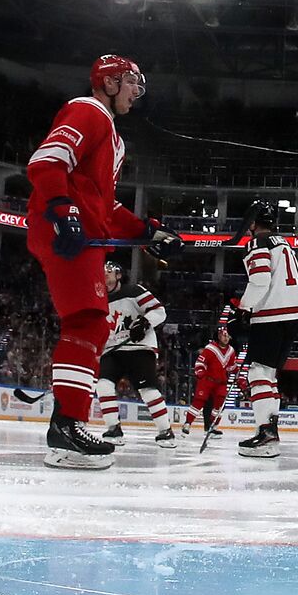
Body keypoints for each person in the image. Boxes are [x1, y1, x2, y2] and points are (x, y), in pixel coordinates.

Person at [25, 55, 183, 469]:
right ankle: (66, 428)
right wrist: (64, 214)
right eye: (131, 82)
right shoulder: (89, 110)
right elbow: (45, 162)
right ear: (109, 83)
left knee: (91, 322)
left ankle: (66, 425)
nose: (137, 91)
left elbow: (106, 207)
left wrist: (150, 232)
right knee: (88, 321)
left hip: (80, 232)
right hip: (66, 232)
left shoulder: (112, 135)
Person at [227, 201, 298, 458]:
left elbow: (260, 279)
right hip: (294, 312)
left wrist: (244, 308)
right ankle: (270, 430)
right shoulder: (283, 242)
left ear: (252, 223)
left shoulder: (256, 243)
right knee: (269, 374)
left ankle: (265, 433)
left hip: (272, 313)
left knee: (258, 372)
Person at [94, 260, 174, 448]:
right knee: (103, 386)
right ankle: (113, 428)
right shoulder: (98, 298)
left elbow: (159, 311)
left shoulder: (134, 291)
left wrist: (144, 323)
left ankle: (166, 431)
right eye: (102, 271)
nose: (105, 274)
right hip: (112, 350)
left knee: (148, 391)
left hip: (139, 348)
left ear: (119, 275)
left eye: (109, 271)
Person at [184, 327, 237, 437]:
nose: (226, 338)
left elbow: (230, 367)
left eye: (228, 336)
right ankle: (188, 423)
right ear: (219, 336)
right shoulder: (210, 348)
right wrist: (200, 372)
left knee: (219, 405)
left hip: (221, 383)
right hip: (207, 381)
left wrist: (236, 371)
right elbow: (200, 362)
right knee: (199, 401)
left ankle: (212, 427)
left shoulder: (231, 351)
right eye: (224, 335)